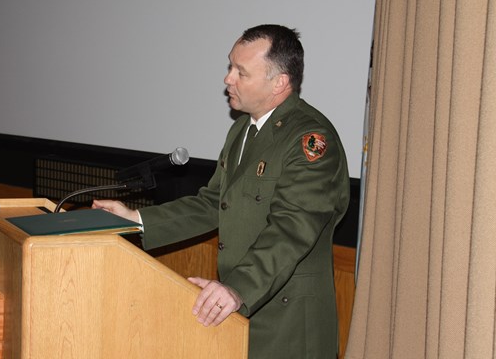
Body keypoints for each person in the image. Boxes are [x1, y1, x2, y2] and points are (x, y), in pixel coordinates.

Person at [93, 24, 349, 359]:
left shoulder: (310, 141)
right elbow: (215, 203)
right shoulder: (243, 129)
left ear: (279, 83)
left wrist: (237, 288)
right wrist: (137, 219)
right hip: (239, 309)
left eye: (241, 72)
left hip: (286, 323)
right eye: (230, 66)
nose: (228, 79)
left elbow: (292, 229)